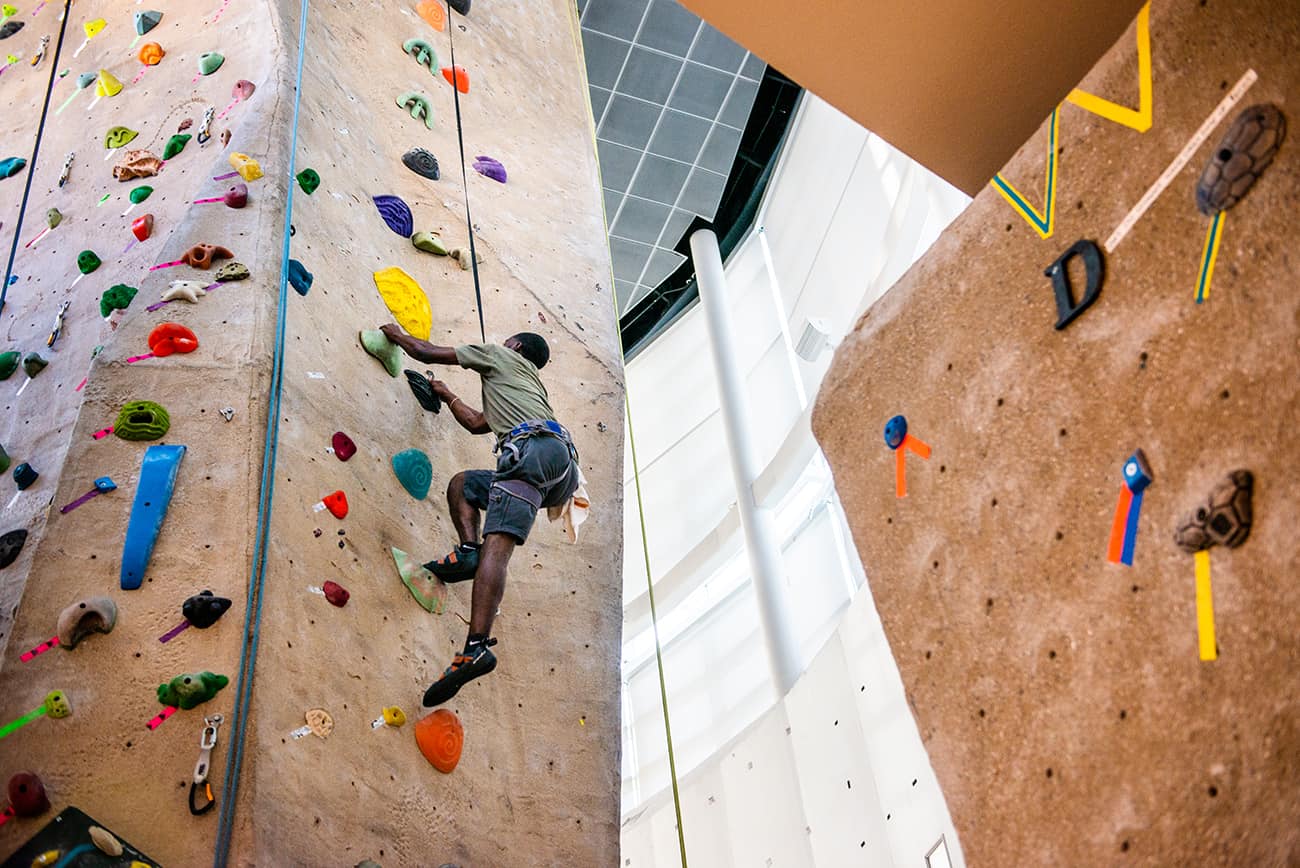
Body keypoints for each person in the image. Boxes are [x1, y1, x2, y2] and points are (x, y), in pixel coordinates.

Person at [379, 323, 580, 707]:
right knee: (465, 485)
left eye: (507, 342)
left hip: (532, 452)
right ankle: (467, 550)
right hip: (556, 466)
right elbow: (476, 423)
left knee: (498, 549)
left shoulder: (500, 355)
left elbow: (426, 351)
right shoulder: (527, 389)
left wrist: (396, 334)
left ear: (514, 346)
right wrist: (447, 394)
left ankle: (476, 646)